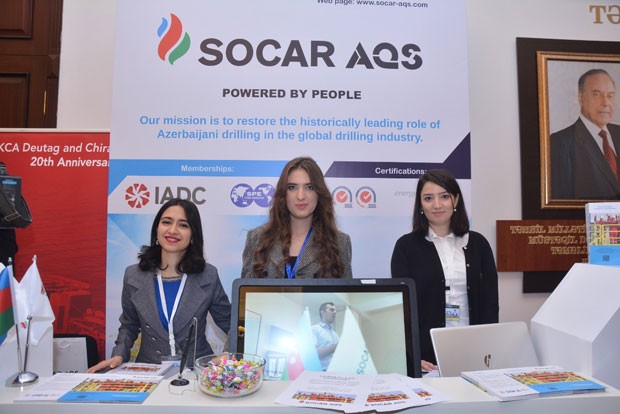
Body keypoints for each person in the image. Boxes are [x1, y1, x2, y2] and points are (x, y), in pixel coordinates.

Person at [88, 198, 231, 372]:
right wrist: (118, 354)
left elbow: (232, 324)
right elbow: (129, 324)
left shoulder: (208, 275)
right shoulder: (133, 275)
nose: (173, 230)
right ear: (157, 229)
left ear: (193, 234)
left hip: (197, 372)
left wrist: (228, 354)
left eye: (183, 225)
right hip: (149, 371)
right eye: (166, 222)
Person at [390, 169, 498, 374]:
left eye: (444, 196)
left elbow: (490, 302)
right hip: (426, 356)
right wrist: (412, 353)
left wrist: (488, 348)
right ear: (420, 205)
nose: (437, 205)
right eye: (428, 198)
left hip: (473, 349)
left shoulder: (479, 244)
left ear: (455, 200)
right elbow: (401, 307)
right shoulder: (406, 247)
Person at [241, 156, 352, 279]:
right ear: (283, 194)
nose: (300, 196)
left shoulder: (339, 242)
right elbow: (244, 290)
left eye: (309, 187)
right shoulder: (257, 239)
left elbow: (346, 291)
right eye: (292, 187)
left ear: (319, 193)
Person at [550, 68, 620, 200]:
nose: (606, 103)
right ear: (581, 98)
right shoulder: (561, 142)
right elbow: (561, 203)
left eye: (610, 95)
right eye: (597, 94)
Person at [311, 302, 339, 370]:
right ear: (322, 312)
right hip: (321, 372)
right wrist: (335, 347)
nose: (335, 312)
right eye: (331, 310)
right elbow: (312, 354)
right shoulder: (315, 329)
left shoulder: (335, 334)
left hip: (337, 371)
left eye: (335, 310)